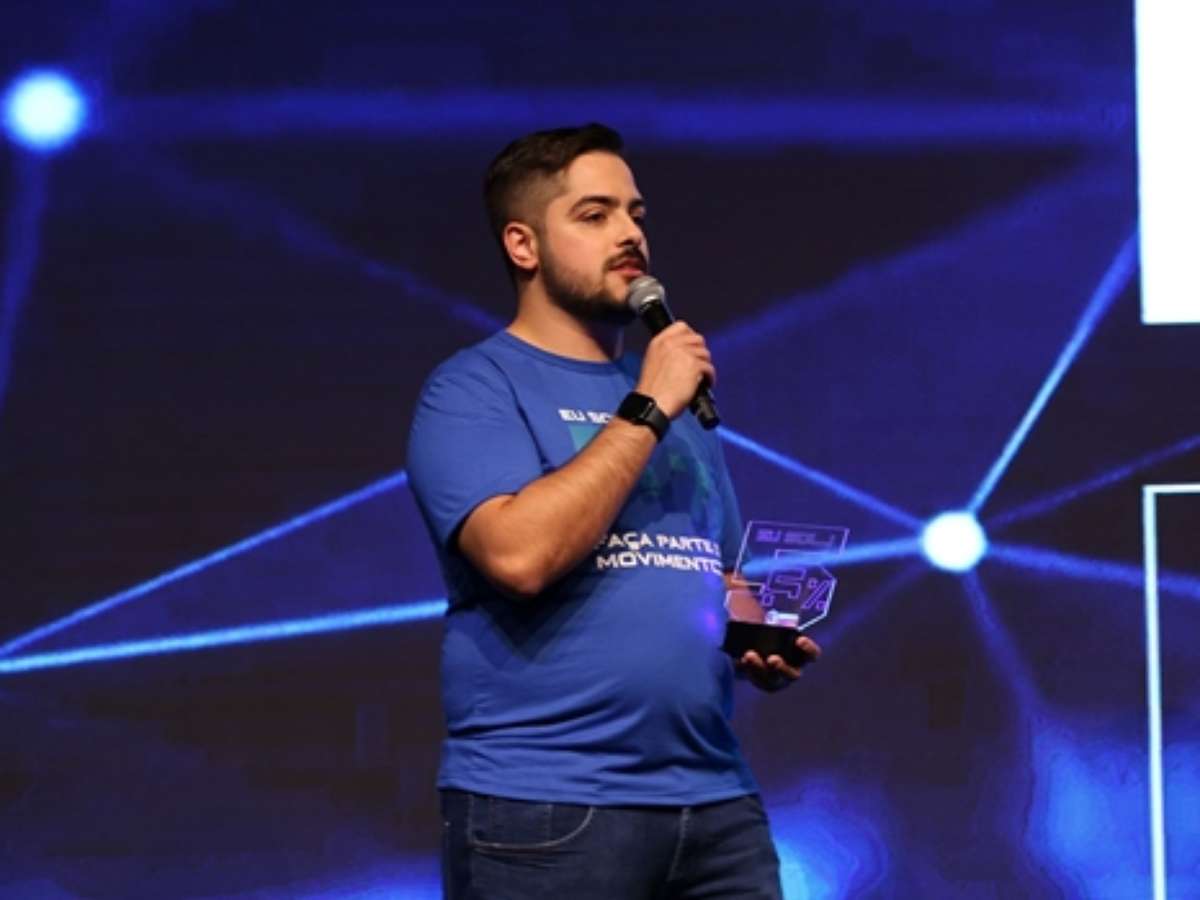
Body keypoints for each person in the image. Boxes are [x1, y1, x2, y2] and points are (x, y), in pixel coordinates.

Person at [406, 123, 820, 900]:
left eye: (635, 214)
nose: (630, 234)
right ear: (523, 245)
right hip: (548, 807)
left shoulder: (677, 405)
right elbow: (519, 557)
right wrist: (648, 406)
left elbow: (716, 570)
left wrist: (756, 634)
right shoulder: (473, 388)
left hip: (716, 804)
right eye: (594, 215)